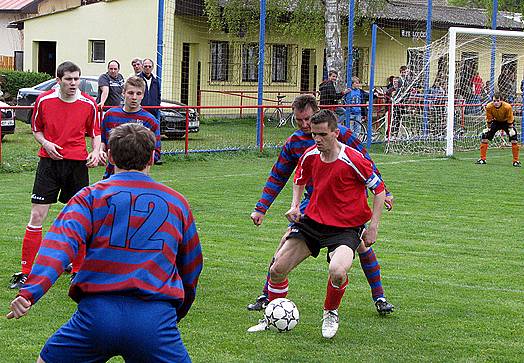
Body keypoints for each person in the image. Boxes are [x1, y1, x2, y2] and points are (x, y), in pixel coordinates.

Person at [7, 123, 203, 363]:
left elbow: (58, 245)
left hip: (97, 316)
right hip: (154, 318)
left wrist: (31, 291)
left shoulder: (89, 197)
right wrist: (178, 310)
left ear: (109, 156)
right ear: (152, 157)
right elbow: (192, 265)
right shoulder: (177, 202)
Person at [247, 94, 394, 315]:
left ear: (317, 113)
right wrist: (261, 207)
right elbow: (280, 176)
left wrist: (385, 191)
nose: (305, 125)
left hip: (346, 201)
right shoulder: (295, 143)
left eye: (308, 119)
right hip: (314, 201)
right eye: (299, 121)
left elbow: (366, 163)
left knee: (362, 245)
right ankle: (268, 295)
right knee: (285, 244)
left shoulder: (340, 134)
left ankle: (379, 296)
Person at [9, 61, 101, 290]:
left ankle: (78, 271)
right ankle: (27, 272)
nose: (73, 83)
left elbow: (95, 132)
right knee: (37, 216)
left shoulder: (89, 103)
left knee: (78, 218)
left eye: (76, 79)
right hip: (49, 164)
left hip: (77, 165)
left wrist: (96, 151)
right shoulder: (44, 100)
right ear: (58, 80)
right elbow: (36, 129)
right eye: (68, 79)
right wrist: (46, 143)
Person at [69, 76, 162, 276]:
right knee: (101, 222)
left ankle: (130, 264)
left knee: (130, 224)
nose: (134, 97)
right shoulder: (110, 115)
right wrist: (100, 152)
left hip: (139, 184)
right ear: (123, 94)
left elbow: (155, 154)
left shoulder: (150, 121)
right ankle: (91, 264)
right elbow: (102, 142)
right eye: (130, 93)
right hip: (111, 179)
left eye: (138, 94)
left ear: (143, 96)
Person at [476, 92, 520, 167]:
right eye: (494, 101)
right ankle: (482, 159)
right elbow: (489, 118)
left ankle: (516, 161)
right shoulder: (489, 106)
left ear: (501, 100)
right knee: (484, 137)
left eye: (497, 101)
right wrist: (488, 128)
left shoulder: (507, 107)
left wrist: (511, 128)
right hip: (496, 122)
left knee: (514, 139)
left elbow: (510, 118)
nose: (496, 103)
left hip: (506, 122)